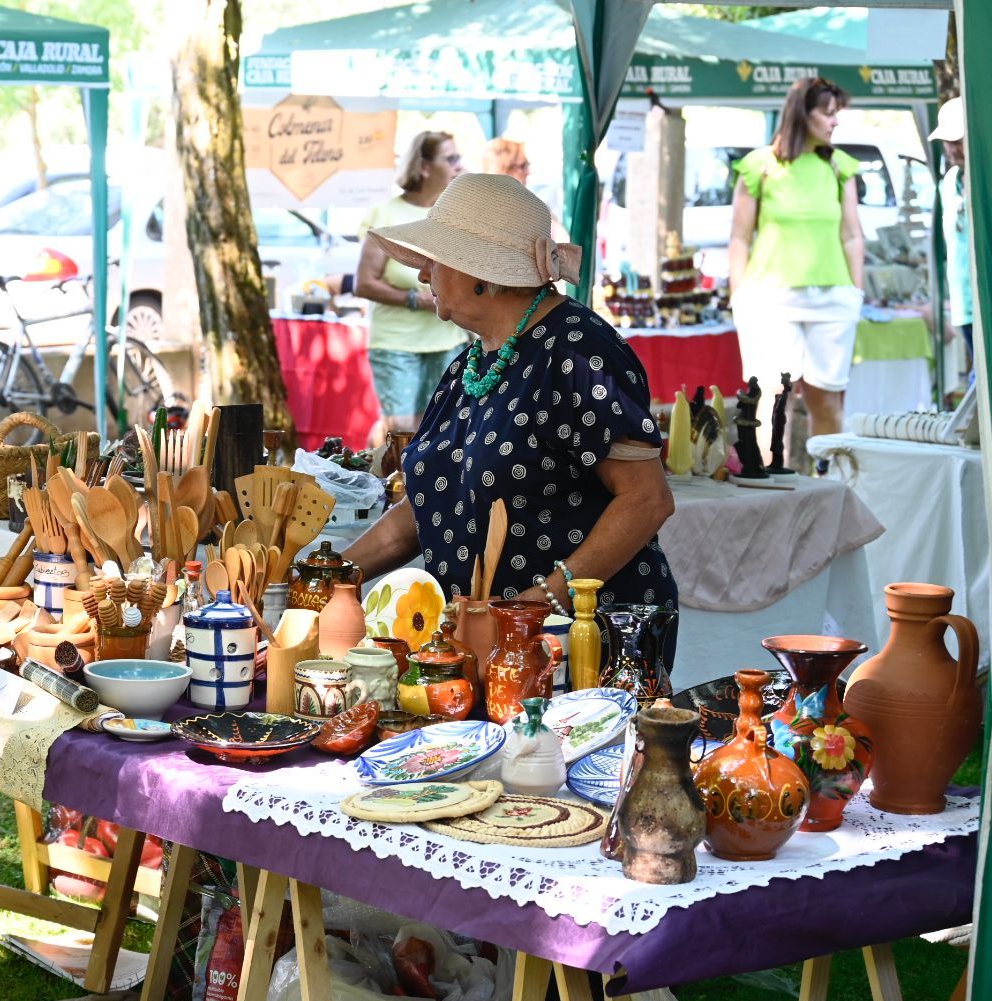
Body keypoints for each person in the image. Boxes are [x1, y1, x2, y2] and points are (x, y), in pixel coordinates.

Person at [342, 173, 678, 644]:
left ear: (482, 274)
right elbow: (429, 507)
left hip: (579, 643)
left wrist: (530, 609)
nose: (423, 274)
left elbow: (646, 500)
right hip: (486, 643)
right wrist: (331, 576)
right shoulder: (473, 361)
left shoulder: (578, 352)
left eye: (435, 260)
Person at [728, 76, 865, 439]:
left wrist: (856, 292)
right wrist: (737, 294)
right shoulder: (759, 165)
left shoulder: (840, 166)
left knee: (826, 401)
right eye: (829, 113)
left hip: (834, 299)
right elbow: (739, 237)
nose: (836, 122)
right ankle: (771, 483)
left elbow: (852, 235)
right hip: (770, 299)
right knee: (772, 397)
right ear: (802, 114)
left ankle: (831, 484)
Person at [355, 131, 470, 439]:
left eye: (459, 157)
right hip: (396, 344)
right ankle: (391, 483)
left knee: (439, 428)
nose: (460, 165)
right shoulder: (387, 215)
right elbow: (363, 283)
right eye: (451, 158)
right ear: (424, 167)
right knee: (402, 429)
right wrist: (413, 299)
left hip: (449, 340)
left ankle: (422, 486)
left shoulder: (457, 217)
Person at [929, 97, 973, 373]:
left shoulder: (989, 181)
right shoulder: (949, 181)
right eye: (947, 141)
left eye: (957, 140)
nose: (951, 148)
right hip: (962, 302)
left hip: (987, 300)